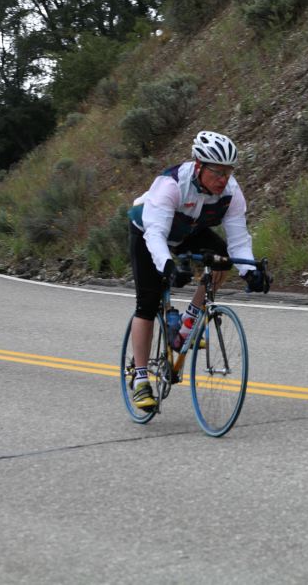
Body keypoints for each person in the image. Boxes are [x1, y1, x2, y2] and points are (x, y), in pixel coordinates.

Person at [127, 131, 270, 411]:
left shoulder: (231, 192)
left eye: (228, 172)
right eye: (217, 172)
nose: (223, 180)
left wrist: (249, 272)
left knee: (222, 260)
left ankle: (187, 324)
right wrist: (168, 267)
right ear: (198, 165)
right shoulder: (171, 185)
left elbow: (239, 240)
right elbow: (156, 235)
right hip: (149, 233)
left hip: (189, 231)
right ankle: (140, 378)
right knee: (147, 303)